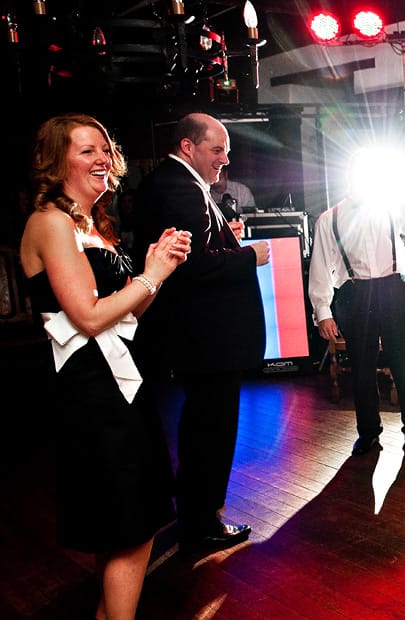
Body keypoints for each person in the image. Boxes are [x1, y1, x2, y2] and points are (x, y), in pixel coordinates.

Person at [18, 113, 191, 619]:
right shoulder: (50, 222)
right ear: (58, 161)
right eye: (86, 150)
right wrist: (150, 275)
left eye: (104, 149)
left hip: (121, 383)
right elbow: (90, 317)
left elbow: (126, 315)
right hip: (90, 391)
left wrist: (157, 269)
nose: (102, 159)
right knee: (131, 521)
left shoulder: (93, 225)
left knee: (130, 518)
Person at [133, 112, 270, 554]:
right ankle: (201, 523)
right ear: (188, 147)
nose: (224, 159)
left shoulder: (175, 183)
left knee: (204, 428)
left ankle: (196, 516)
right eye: (217, 149)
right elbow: (191, 267)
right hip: (206, 340)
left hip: (202, 338)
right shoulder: (179, 185)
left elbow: (199, 247)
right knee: (210, 431)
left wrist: (227, 238)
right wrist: (249, 256)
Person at [307, 153, 405, 457]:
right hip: (354, 294)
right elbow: (320, 267)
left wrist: (397, 188)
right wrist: (323, 311)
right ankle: (367, 433)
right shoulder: (330, 219)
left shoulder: (392, 205)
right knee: (362, 368)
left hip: (392, 288)